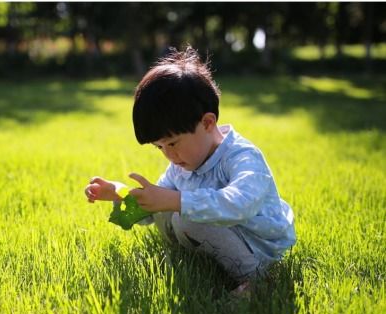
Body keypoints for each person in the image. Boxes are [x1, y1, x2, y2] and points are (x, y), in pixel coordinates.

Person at [84, 46, 296, 295]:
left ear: (207, 123)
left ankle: (257, 278)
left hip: (260, 243)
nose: (169, 155)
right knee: (166, 209)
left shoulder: (242, 157)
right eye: (159, 147)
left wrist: (176, 201)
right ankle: (192, 256)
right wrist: (119, 193)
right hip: (223, 234)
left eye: (172, 143)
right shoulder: (182, 164)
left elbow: (241, 204)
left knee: (186, 216)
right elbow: (155, 204)